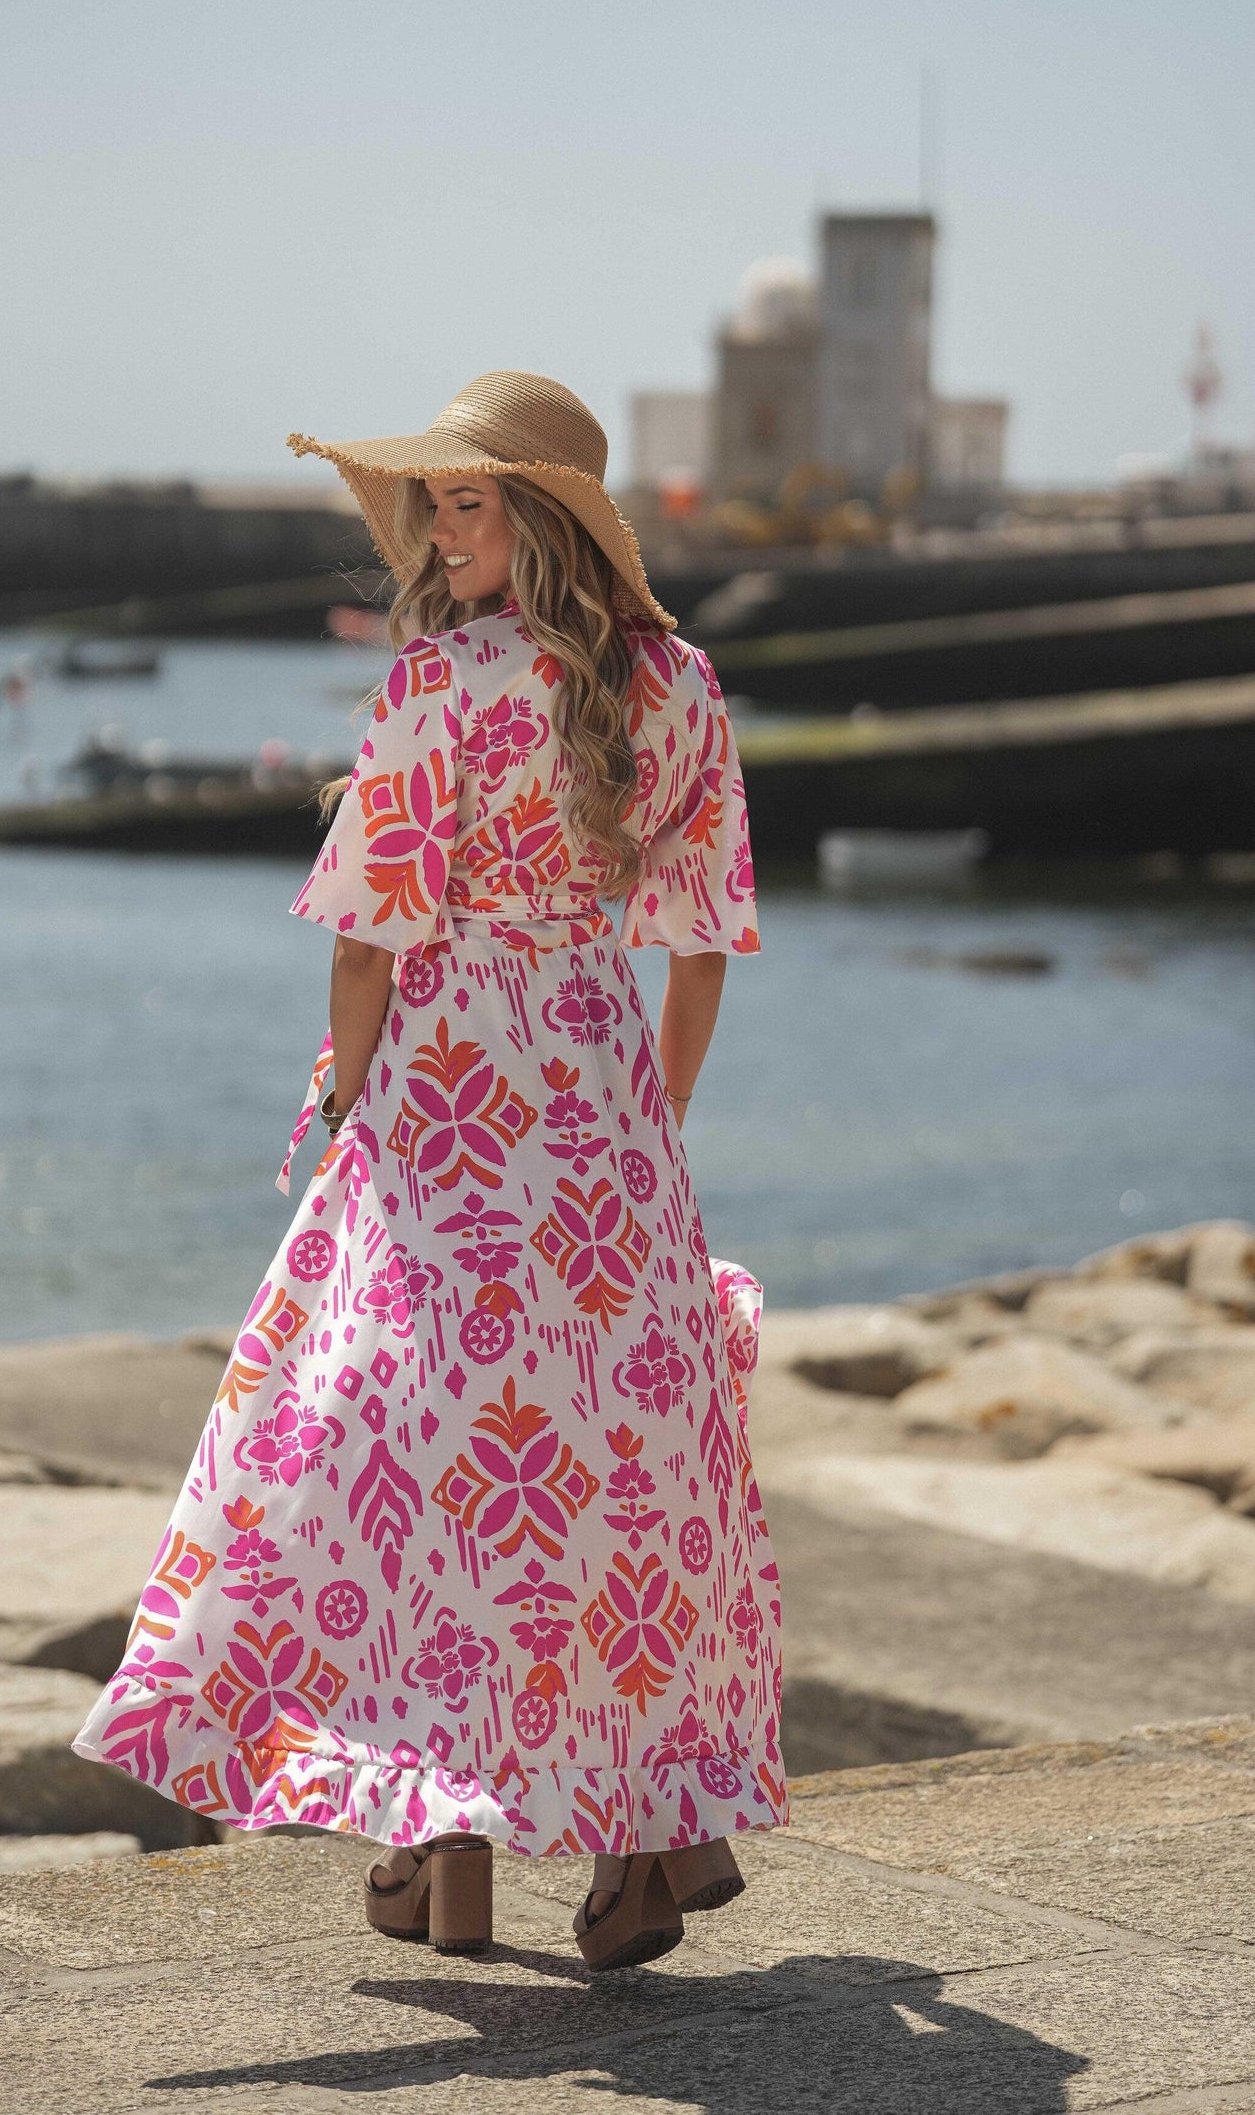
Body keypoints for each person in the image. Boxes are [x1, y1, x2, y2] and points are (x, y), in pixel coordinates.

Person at [74, 372, 786, 1972]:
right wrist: (648, 1128)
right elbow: (700, 946)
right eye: (435, 504)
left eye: (471, 503)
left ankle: (438, 1842)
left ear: (543, 520)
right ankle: (636, 1843)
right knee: (612, 1470)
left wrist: (348, 1100)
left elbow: (367, 941)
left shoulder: (438, 682)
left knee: (406, 1460)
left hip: (445, 1101)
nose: (440, 530)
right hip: (601, 1102)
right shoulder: (680, 685)